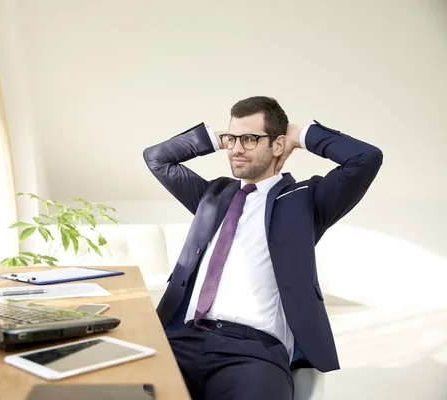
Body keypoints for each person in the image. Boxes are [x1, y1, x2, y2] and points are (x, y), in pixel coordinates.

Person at [143, 96, 383, 400]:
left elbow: (366, 158)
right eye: (233, 139)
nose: (237, 148)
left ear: (278, 145)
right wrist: (217, 139)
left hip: (253, 352)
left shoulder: (306, 200)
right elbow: (156, 158)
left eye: (250, 138)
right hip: (180, 340)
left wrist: (299, 135)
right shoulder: (212, 195)